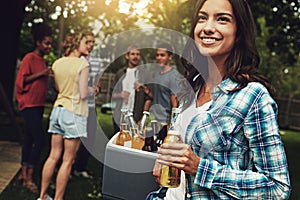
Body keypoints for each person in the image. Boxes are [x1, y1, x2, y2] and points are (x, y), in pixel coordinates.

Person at [152, 0, 291, 199]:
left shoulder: (253, 97)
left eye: (222, 19)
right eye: (202, 18)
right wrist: (167, 158)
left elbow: (277, 188)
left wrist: (200, 168)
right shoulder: (192, 86)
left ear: (239, 33)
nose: (208, 28)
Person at [38, 32, 95, 200]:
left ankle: (42, 197)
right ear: (77, 43)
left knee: (53, 155)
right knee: (67, 160)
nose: (90, 46)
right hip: (74, 112)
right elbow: (84, 94)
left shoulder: (57, 63)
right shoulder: (82, 65)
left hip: (58, 111)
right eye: (87, 42)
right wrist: (94, 90)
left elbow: (58, 88)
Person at [15, 23, 53, 193]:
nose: (49, 46)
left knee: (29, 140)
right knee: (40, 140)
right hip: (28, 105)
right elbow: (21, 81)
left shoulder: (43, 61)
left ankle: (23, 173)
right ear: (38, 42)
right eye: (46, 43)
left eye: (50, 43)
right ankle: (29, 177)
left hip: (38, 106)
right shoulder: (29, 58)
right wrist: (43, 73)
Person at [73, 30, 100, 179]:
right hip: (76, 105)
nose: (90, 45)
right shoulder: (74, 58)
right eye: (87, 42)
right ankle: (67, 168)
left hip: (90, 105)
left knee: (89, 138)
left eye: (92, 43)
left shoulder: (95, 61)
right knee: (73, 137)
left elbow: (98, 82)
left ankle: (80, 168)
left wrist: (96, 88)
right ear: (81, 41)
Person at [111, 45, 152, 133]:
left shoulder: (144, 74)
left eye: (137, 54)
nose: (135, 57)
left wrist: (142, 118)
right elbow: (112, 95)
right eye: (132, 54)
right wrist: (120, 95)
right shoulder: (120, 73)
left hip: (136, 117)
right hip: (120, 117)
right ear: (127, 56)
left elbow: (149, 98)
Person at [151, 43, 183, 124]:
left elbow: (175, 105)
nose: (159, 58)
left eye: (162, 55)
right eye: (157, 55)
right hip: (154, 120)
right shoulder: (157, 74)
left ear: (170, 57)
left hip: (166, 122)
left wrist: (171, 125)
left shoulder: (174, 76)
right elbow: (157, 96)